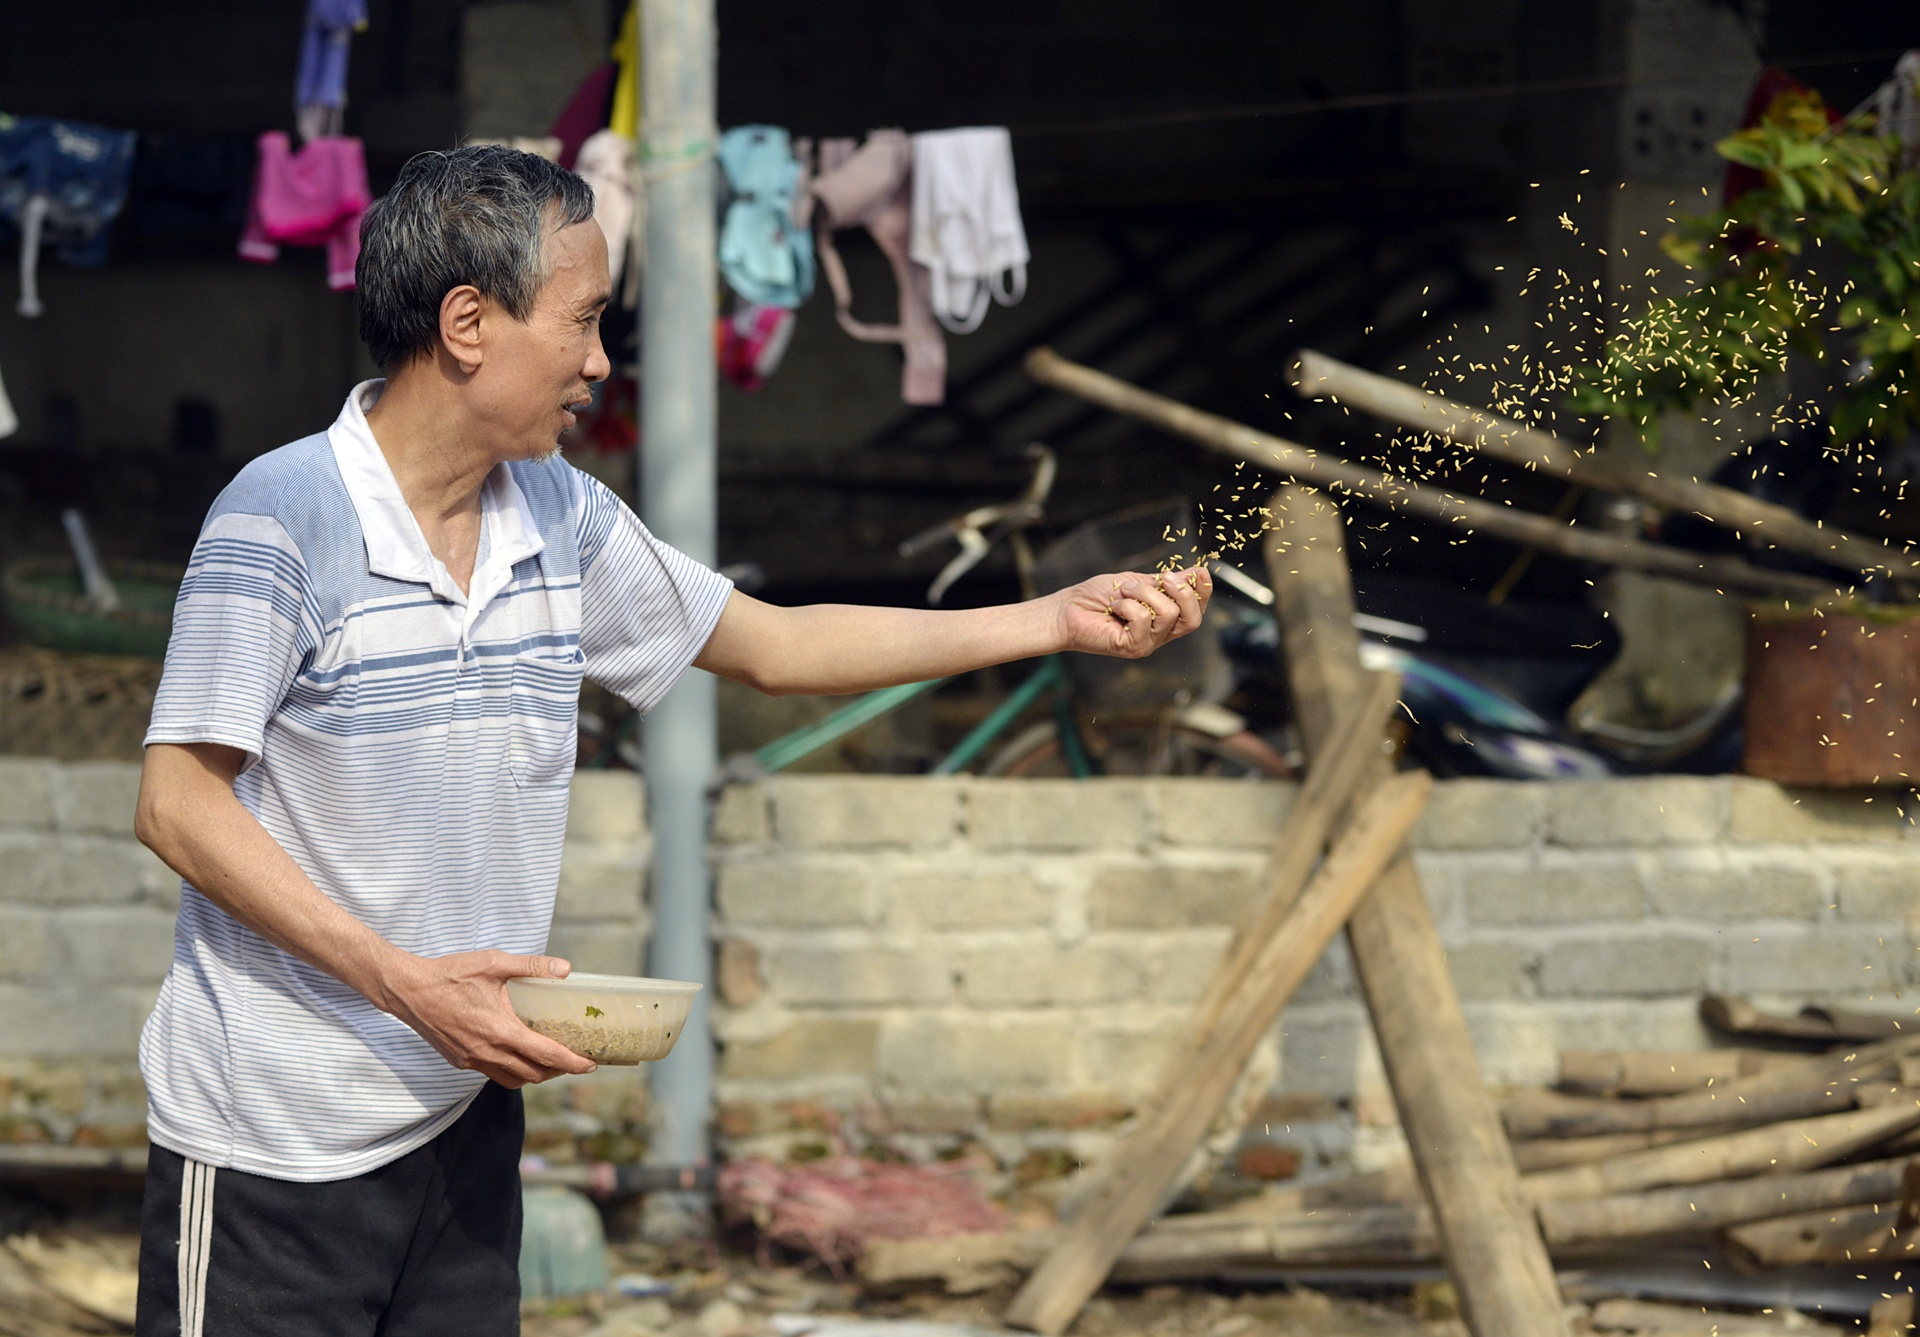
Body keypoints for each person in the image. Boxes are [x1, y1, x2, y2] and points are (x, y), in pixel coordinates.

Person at [131, 145, 1211, 1337]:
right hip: (270, 1147)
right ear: (468, 322)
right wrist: (402, 982)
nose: (600, 362)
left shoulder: (561, 516)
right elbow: (177, 802)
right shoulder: (282, 520)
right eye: (584, 322)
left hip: (460, 1125)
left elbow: (776, 645)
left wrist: (1052, 619)